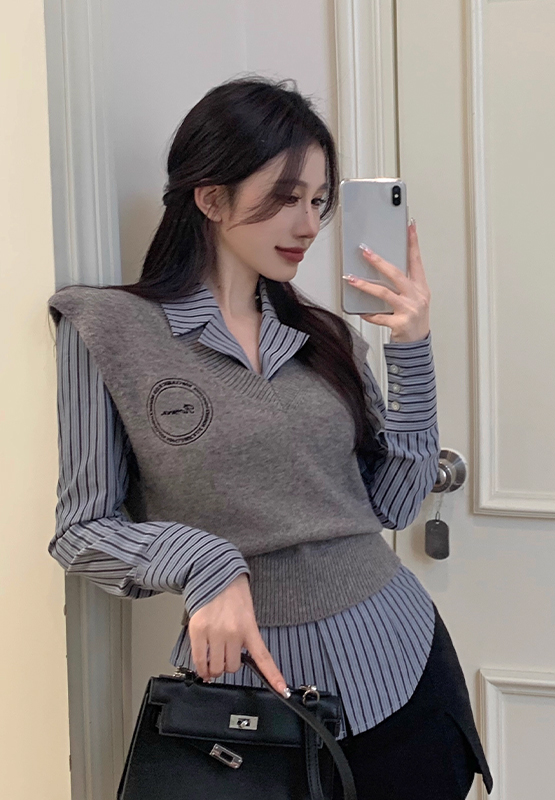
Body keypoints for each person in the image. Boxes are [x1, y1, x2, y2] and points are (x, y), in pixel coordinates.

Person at [47, 76, 493, 799]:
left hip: (405, 663)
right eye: (286, 196)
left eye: (318, 201)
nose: (309, 223)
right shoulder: (109, 330)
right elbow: (81, 532)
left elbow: (395, 502)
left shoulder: (325, 336)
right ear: (210, 197)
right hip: (247, 710)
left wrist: (412, 347)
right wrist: (205, 561)